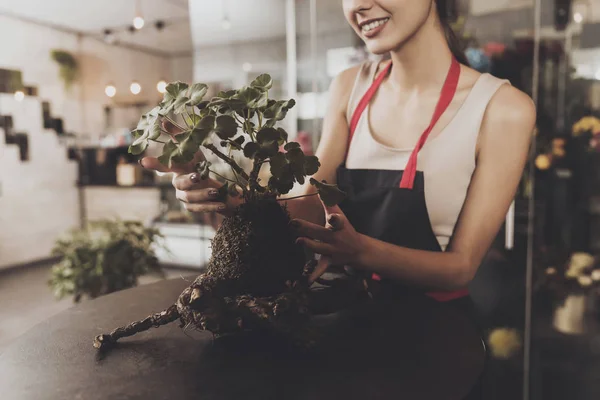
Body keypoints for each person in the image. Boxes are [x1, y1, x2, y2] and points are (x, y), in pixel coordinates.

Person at [141, 0, 535, 305]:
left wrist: (361, 251)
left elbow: (461, 269)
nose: (357, 6)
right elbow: (306, 209)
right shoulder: (350, 87)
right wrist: (224, 195)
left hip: (437, 337)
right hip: (345, 315)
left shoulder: (502, 108)